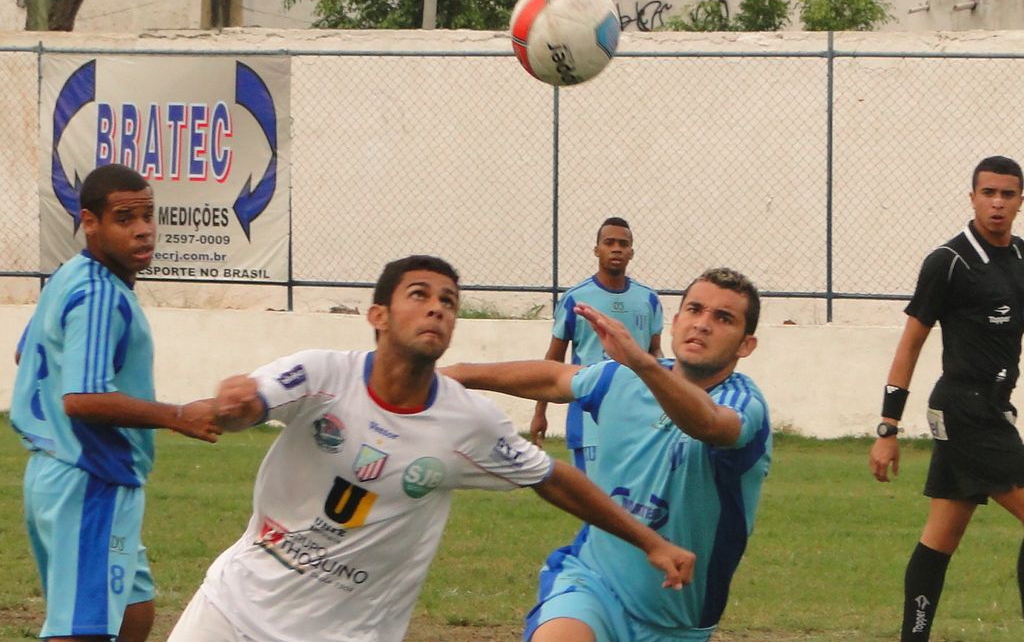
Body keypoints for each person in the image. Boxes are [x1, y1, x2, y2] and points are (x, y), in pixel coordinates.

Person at [168, 254, 694, 642]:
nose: (437, 309)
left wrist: (650, 541)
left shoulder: (467, 420)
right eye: (418, 295)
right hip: (231, 609)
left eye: (448, 302)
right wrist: (237, 405)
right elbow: (254, 401)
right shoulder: (322, 373)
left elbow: (551, 478)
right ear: (378, 315)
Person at [446, 266, 771, 642]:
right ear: (676, 320)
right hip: (593, 585)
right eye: (695, 310)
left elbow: (709, 424)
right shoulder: (622, 378)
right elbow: (554, 378)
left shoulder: (743, 403)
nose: (703, 324)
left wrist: (642, 363)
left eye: (723, 318)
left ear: (746, 344)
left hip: (677, 623)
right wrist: (460, 373)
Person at [10, 163, 222, 642]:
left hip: (61, 474)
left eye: (148, 215)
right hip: (88, 479)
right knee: (83, 629)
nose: (144, 230)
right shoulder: (98, 294)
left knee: (133, 610)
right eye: (125, 218)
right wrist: (177, 416)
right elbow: (82, 400)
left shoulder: (69, 275)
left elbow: (28, 350)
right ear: (91, 222)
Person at [869, 155, 1024, 641]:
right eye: (988, 193)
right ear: (972, 196)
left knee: (941, 538)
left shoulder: (1020, 257)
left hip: (993, 408)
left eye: (1008, 194)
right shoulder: (949, 261)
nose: (997, 203)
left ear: (1021, 201)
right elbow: (910, 343)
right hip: (963, 409)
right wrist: (888, 428)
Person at [531, 216, 664, 473]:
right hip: (588, 420)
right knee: (594, 504)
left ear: (631, 252)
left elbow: (654, 352)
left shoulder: (648, 299)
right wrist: (540, 411)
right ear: (596, 250)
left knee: (634, 503)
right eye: (609, 242)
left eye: (623, 244)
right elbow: (552, 360)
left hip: (638, 418)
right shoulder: (575, 299)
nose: (616, 249)